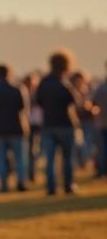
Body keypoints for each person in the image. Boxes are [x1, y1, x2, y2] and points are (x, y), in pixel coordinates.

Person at [33, 50, 81, 195]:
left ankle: (51, 187)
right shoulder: (64, 84)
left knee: (50, 158)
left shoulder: (43, 83)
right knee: (67, 158)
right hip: (66, 125)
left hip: (48, 125)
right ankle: (68, 185)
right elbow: (76, 101)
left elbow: (39, 102)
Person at [0, 64, 29, 192]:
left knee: (1, 158)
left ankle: (4, 183)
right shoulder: (18, 89)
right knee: (20, 157)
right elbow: (23, 108)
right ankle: (21, 181)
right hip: (16, 127)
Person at [23, 73, 43, 184]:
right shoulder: (24, 93)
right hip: (27, 125)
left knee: (35, 150)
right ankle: (28, 172)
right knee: (28, 150)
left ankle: (32, 172)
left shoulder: (38, 93)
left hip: (37, 124)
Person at [92, 67, 107, 179]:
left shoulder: (100, 88)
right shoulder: (100, 88)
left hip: (101, 122)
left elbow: (92, 103)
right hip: (102, 123)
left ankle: (102, 171)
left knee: (102, 149)